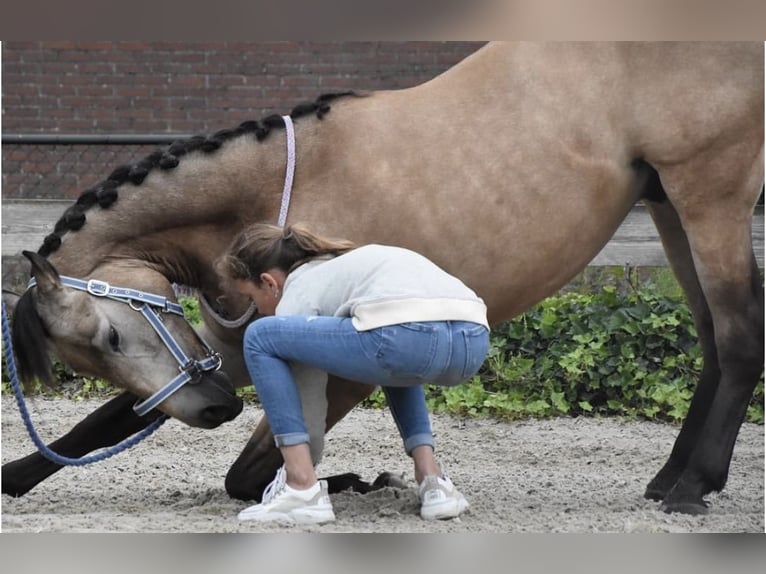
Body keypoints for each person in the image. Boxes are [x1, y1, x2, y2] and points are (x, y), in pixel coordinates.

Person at [216, 222, 490, 524]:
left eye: (253, 299)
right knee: (395, 356)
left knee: (260, 336)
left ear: (270, 282)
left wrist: (306, 459)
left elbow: (307, 392)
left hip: (404, 336)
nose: (260, 309)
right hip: (472, 340)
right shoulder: (349, 268)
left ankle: (301, 488)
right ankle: (434, 483)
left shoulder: (299, 289)